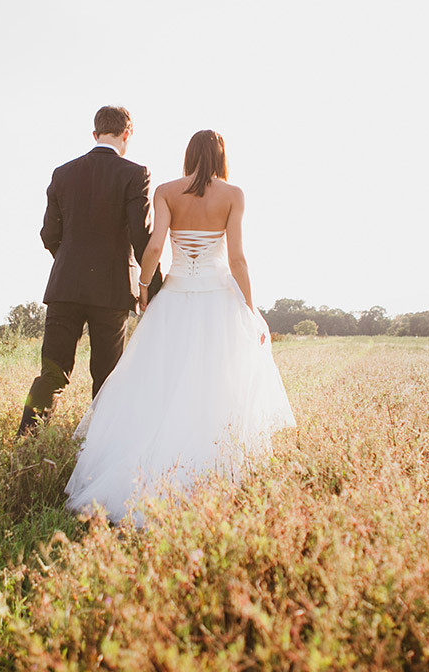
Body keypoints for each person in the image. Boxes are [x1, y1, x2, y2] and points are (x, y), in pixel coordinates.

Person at [65, 129, 296, 525]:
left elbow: (155, 247)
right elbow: (237, 259)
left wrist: (143, 287)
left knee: (160, 382)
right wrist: (250, 307)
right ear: (222, 156)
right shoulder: (234, 195)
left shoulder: (167, 191)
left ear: (189, 154)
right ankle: (214, 472)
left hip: (174, 298)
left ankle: (144, 470)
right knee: (217, 386)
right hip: (218, 299)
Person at [17, 105, 162, 436]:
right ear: (127, 134)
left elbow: (49, 235)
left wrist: (70, 263)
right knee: (107, 376)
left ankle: (26, 441)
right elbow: (141, 236)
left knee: (52, 372)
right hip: (111, 291)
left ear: (95, 134)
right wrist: (152, 288)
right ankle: (99, 444)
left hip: (65, 287)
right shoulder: (135, 173)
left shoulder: (62, 173)